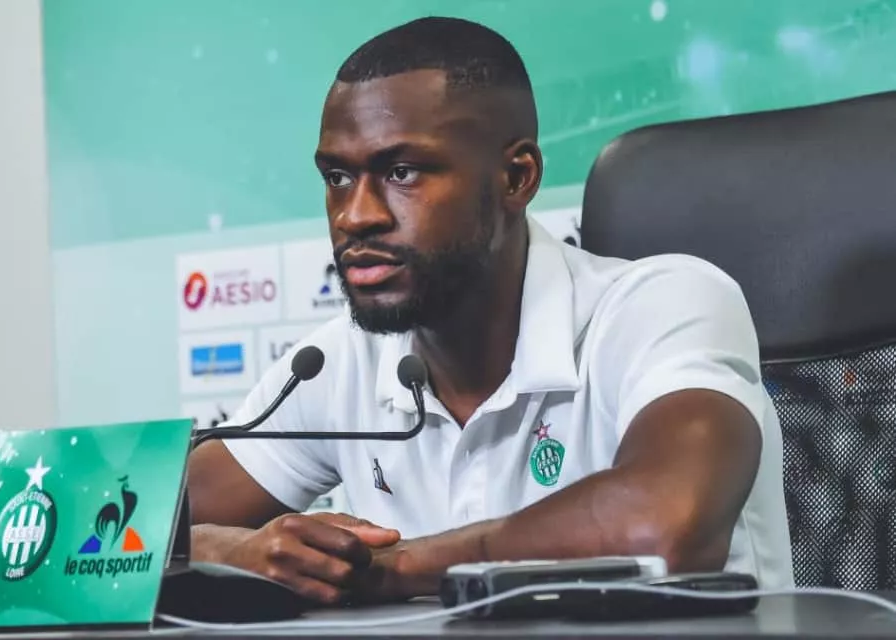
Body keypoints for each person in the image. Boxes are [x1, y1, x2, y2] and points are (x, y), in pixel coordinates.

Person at [186, 16, 794, 604]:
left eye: (401, 172)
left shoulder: (662, 305)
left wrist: (392, 568)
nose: (355, 215)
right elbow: (136, 523)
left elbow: (666, 527)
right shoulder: (337, 363)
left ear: (515, 177)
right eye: (338, 177)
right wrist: (223, 549)